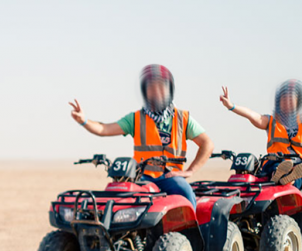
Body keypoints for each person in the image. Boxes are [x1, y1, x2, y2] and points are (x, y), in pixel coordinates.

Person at [69, 64, 214, 208]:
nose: (156, 91)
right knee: (118, 198)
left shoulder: (183, 119)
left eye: (161, 86)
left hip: (170, 177)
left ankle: (193, 231)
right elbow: (104, 129)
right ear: (145, 91)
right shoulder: (136, 118)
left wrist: (190, 171)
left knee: (185, 191)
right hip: (141, 178)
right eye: (151, 87)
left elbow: (207, 144)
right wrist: (84, 121)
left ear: (169, 89)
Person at [219, 80, 302, 189]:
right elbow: (253, 115)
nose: (287, 102)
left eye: (290, 99)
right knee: (276, 167)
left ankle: (289, 180)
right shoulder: (270, 122)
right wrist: (232, 106)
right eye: (284, 99)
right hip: (277, 161)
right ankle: (280, 175)